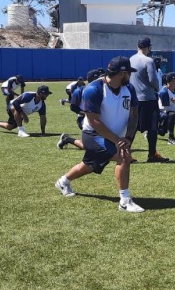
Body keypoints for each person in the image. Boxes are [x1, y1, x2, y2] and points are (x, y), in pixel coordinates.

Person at [54, 56, 144, 213]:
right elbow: (94, 121)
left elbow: (134, 114)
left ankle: (63, 181)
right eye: (128, 72)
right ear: (122, 73)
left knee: (89, 165)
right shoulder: (94, 89)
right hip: (93, 135)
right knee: (123, 156)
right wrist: (118, 141)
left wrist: (128, 137)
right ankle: (125, 201)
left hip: (115, 137)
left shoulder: (129, 89)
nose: (130, 76)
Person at [130, 37, 169, 163]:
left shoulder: (131, 59)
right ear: (149, 47)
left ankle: (125, 154)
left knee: (132, 128)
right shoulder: (148, 60)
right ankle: (152, 154)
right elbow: (153, 80)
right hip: (148, 98)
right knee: (152, 128)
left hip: (134, 99)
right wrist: (158, 88)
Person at [58, 68, 106, 150]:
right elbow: (73, 107)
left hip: (100, 118)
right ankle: (67, 139)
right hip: (84, 119)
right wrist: (86, 114)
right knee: (91, 147)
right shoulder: (80, 91)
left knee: (102, 144)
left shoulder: (105, 90)